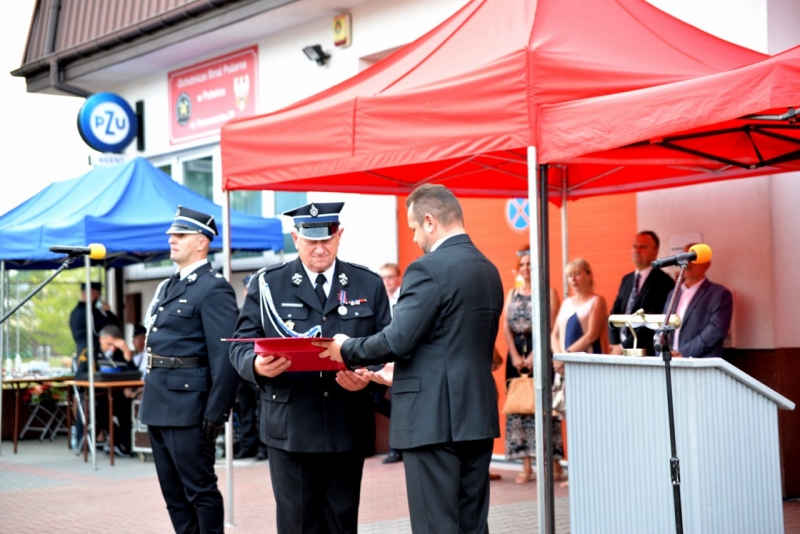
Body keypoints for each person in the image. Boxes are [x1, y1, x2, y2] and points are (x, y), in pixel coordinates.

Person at [318, 184, 504, 534]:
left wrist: (346, 347)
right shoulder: (488, 269)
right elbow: (453, 343)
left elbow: (396, 339)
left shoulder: (427, 268)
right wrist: (400, 372)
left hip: (431, 420)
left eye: (415, 228)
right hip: (476, 415)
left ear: (430, 221)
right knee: (472, 524)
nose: (415, 238)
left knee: (434, 525)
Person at [229, 202, 391, 534]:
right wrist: (257, 366)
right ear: (295, 238)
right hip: (291, 425)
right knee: (297, 525)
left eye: (326, 240)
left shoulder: (367, 283)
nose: (319, 248)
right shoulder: (268, 283)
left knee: (342, 524)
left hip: (346, 422)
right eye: (310, 241)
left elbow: (386, 345)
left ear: (339, 235)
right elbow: (241, 344)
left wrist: (369, 378)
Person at [138, 206, 241, 534]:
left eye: (180, 235)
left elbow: (225, 357)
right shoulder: (168, 286)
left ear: (201, 242)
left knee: (200, 491)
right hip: (158, 402)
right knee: (174, 495)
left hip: (189, 408)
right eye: (172, 234)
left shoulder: (213, 288)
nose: (171, 239)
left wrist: (216, 412)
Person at [503, 247, 563, 483]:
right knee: (519, 409)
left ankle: (553, 464)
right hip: (516, 356)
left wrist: (535, 355)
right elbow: (506, 326)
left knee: (544, 408)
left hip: (541, 353)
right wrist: (514, 355)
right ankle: (526, 466)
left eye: (530, 264)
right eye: (523, 264)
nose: (526, 268)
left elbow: (550, 326)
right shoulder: (512, 293)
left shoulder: (549, 292)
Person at [608, 231, 674, 356]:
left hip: (645, 351)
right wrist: (614, 343)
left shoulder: (663, 282)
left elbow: (651, 320)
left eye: (643, 247)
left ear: (655, 252)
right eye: (635, 246)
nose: (637, 250)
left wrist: (623, 346)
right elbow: (615, 312)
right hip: (618, 350)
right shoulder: (626, 280)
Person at [664, 244, 733, 358]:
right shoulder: (673, 294)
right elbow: (662, 324)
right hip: (670, 361)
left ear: (707, 265)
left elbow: (716, 330)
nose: (688, 263)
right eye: (685, 258)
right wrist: (664, 351)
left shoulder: (720, 294)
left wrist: (683, 354)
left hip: (700, 362)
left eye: (693, 259)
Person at [233, 274, 269, 461]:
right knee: (246, 408)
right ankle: (248, 445)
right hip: (244, 367)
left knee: (261, 409)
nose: (248, 292)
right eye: (246, 289)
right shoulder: (239, 312)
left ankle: (263, 447)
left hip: (262, 365)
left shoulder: (266, 310)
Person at [95, 324, 135, 455]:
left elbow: (134, 374)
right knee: (101, 409)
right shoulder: (93, 353)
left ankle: (126, 445)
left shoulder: (120, 354)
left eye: (115, 345)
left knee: (127, 406)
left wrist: (126, 351)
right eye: (109, 344)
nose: (112, 348)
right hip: (99, 394)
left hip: (118, 394)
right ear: (101, 339)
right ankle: (118, 442)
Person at [377, 262, 402, 464]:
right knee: (376, 399)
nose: (387, 281)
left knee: (397, 403)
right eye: (383, 277)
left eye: (390, 277)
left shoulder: (404, 298)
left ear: (398, 278)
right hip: (381, 358)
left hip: (398, 360)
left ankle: (396, 450)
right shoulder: (379, 299)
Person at [70, 281, 120, 378]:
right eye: (97, 294)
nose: (97, 297)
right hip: (89, 351)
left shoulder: (78, 311)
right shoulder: (87, 312)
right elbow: (112, 327)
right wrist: (108, 312)